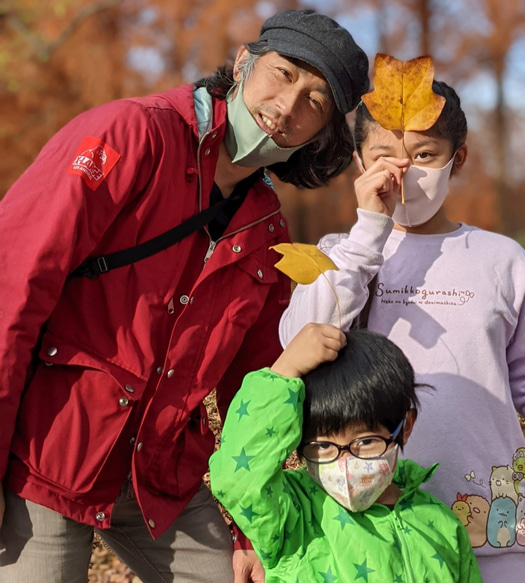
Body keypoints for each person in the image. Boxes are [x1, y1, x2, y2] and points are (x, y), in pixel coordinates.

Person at [0, 9, 370, 583]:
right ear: (244, 62)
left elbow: (258, 382)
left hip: (159, 469)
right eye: (284, 73)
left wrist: (250, 528)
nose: (289, 106)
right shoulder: (131, 135)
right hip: (48, 452)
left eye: (316, 103)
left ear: (322, 133)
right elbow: (13, 289)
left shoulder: (266, 227)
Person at [278, 63, 525, 582]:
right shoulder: (342, 255)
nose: (403, 172)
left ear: (456, 158)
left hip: (491, 517)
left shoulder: (502, 259)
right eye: (384, 157)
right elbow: (298, 343)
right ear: (358, 162)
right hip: (377, 525)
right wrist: (369, 232)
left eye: (423, 156)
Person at [210, 323, 483, 582]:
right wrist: (284, 370)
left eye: (365, 442)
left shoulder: (440, 523)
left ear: (405, 427)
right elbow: (238, 477)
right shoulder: (293, 516)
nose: (345, 464)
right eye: (323, 446)